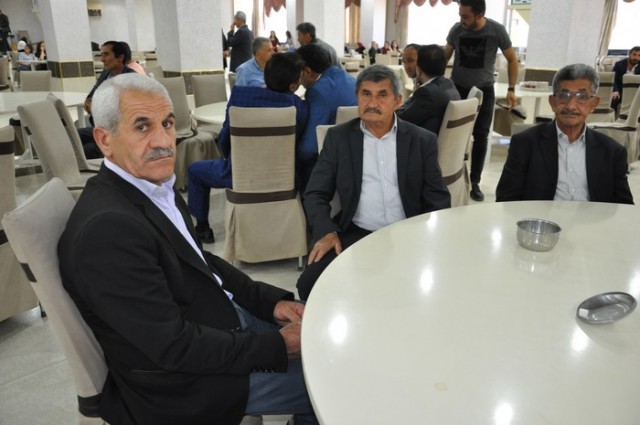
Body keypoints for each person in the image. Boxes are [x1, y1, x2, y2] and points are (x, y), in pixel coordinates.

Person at [58, 73, 318, 425]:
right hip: (186, 383)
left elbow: (200, 261)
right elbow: (172, 346)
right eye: (142, 127)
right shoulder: (107, 230)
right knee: (338, 379)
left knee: (330, 341)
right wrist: (278, 346)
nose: (164, 141)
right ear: (105, 140)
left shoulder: (151, 186)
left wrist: (271, 303)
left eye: (167, 123)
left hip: (218, 325)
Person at [296, 64, 451, 300]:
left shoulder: (421, 140)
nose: (372, 103)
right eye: (366, 94)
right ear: (357, 97)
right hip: (356, 233)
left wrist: (428, 239)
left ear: (398, 101)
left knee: (432, 288)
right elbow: (315, 192)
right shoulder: (339, 138)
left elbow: (438, 198)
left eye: (382, 95)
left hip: (408, 233)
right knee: (309, 286)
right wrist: (326, 231)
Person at [187, 53, 309, 243]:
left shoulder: (240, 96)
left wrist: (233, 159)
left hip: (239, 174)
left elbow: (225, 138)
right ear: (294, 85)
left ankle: (202, 228)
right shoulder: (299, 107)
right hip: (284, 178)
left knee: (195, 171)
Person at [496, 64, 634, 205]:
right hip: (540, 218)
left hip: (592, 219)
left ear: (593, 104)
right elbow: (506, 200)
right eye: (564, 95)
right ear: (552, 102)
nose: (571, 106)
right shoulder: (525, 144)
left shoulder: (612, 152)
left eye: (582, 96)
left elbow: (624, 206)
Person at [444, 0, 519, 202]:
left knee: (481, 135)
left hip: (484, 90)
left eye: (465, 16)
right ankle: (452, 176)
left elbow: (512, 59)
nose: (461, 20)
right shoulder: (457, 30)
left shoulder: (496, 30)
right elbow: (444, 56)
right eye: (460, 15)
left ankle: (475, 182)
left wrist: (511, 89)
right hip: (458, 89)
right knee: (455, 133)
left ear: (479, 15)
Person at [295, 43, 357, 188]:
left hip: (332, 168)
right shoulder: (352, 80)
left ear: (307, 71)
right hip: (356, 156)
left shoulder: (318, 92)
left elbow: (309, 148)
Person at [78, 41, 136, 159]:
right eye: (101, 55)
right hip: (102, 127)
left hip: (119, 133)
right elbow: (91, 96)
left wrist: (96, 109)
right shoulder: (106, 73)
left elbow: (124, 113)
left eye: (106, 54)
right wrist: (89, 103)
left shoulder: (131, 79)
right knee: (73, 136)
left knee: (85, 149)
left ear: (120, 58)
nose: (102, 59)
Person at [396, 44, 461, 135]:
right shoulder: (449, 84)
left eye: (411, 61)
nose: (406, 66)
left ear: (419, 70)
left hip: (422, 141)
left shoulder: (428, 94)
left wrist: (411, 97)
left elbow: (399, 119)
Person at [611, 46, 640, 112]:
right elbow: (613, 79)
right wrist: (615, 90)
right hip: (621, 91)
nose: (636, 58)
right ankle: (613, 116)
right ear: (629, 54)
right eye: (634, 54)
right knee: (614, 98)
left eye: (639, 55)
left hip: (637, 91)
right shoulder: (619, 64)